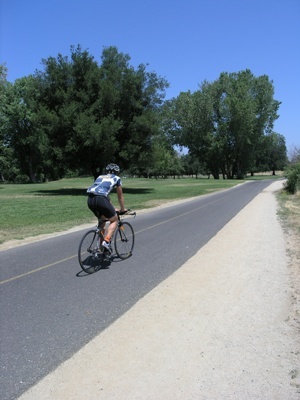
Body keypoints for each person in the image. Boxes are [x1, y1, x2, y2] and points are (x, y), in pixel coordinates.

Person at [87, 163, 127, 253]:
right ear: (117, 172)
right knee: (114, 220)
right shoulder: (117, 178)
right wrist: (122, 209)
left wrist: (112, 208)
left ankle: (101, 247)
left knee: (102, 221)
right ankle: (106, 241)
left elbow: (104, 194)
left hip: (90, 199)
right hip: (101, 199)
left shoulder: (100, 177)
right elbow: (120, 196)